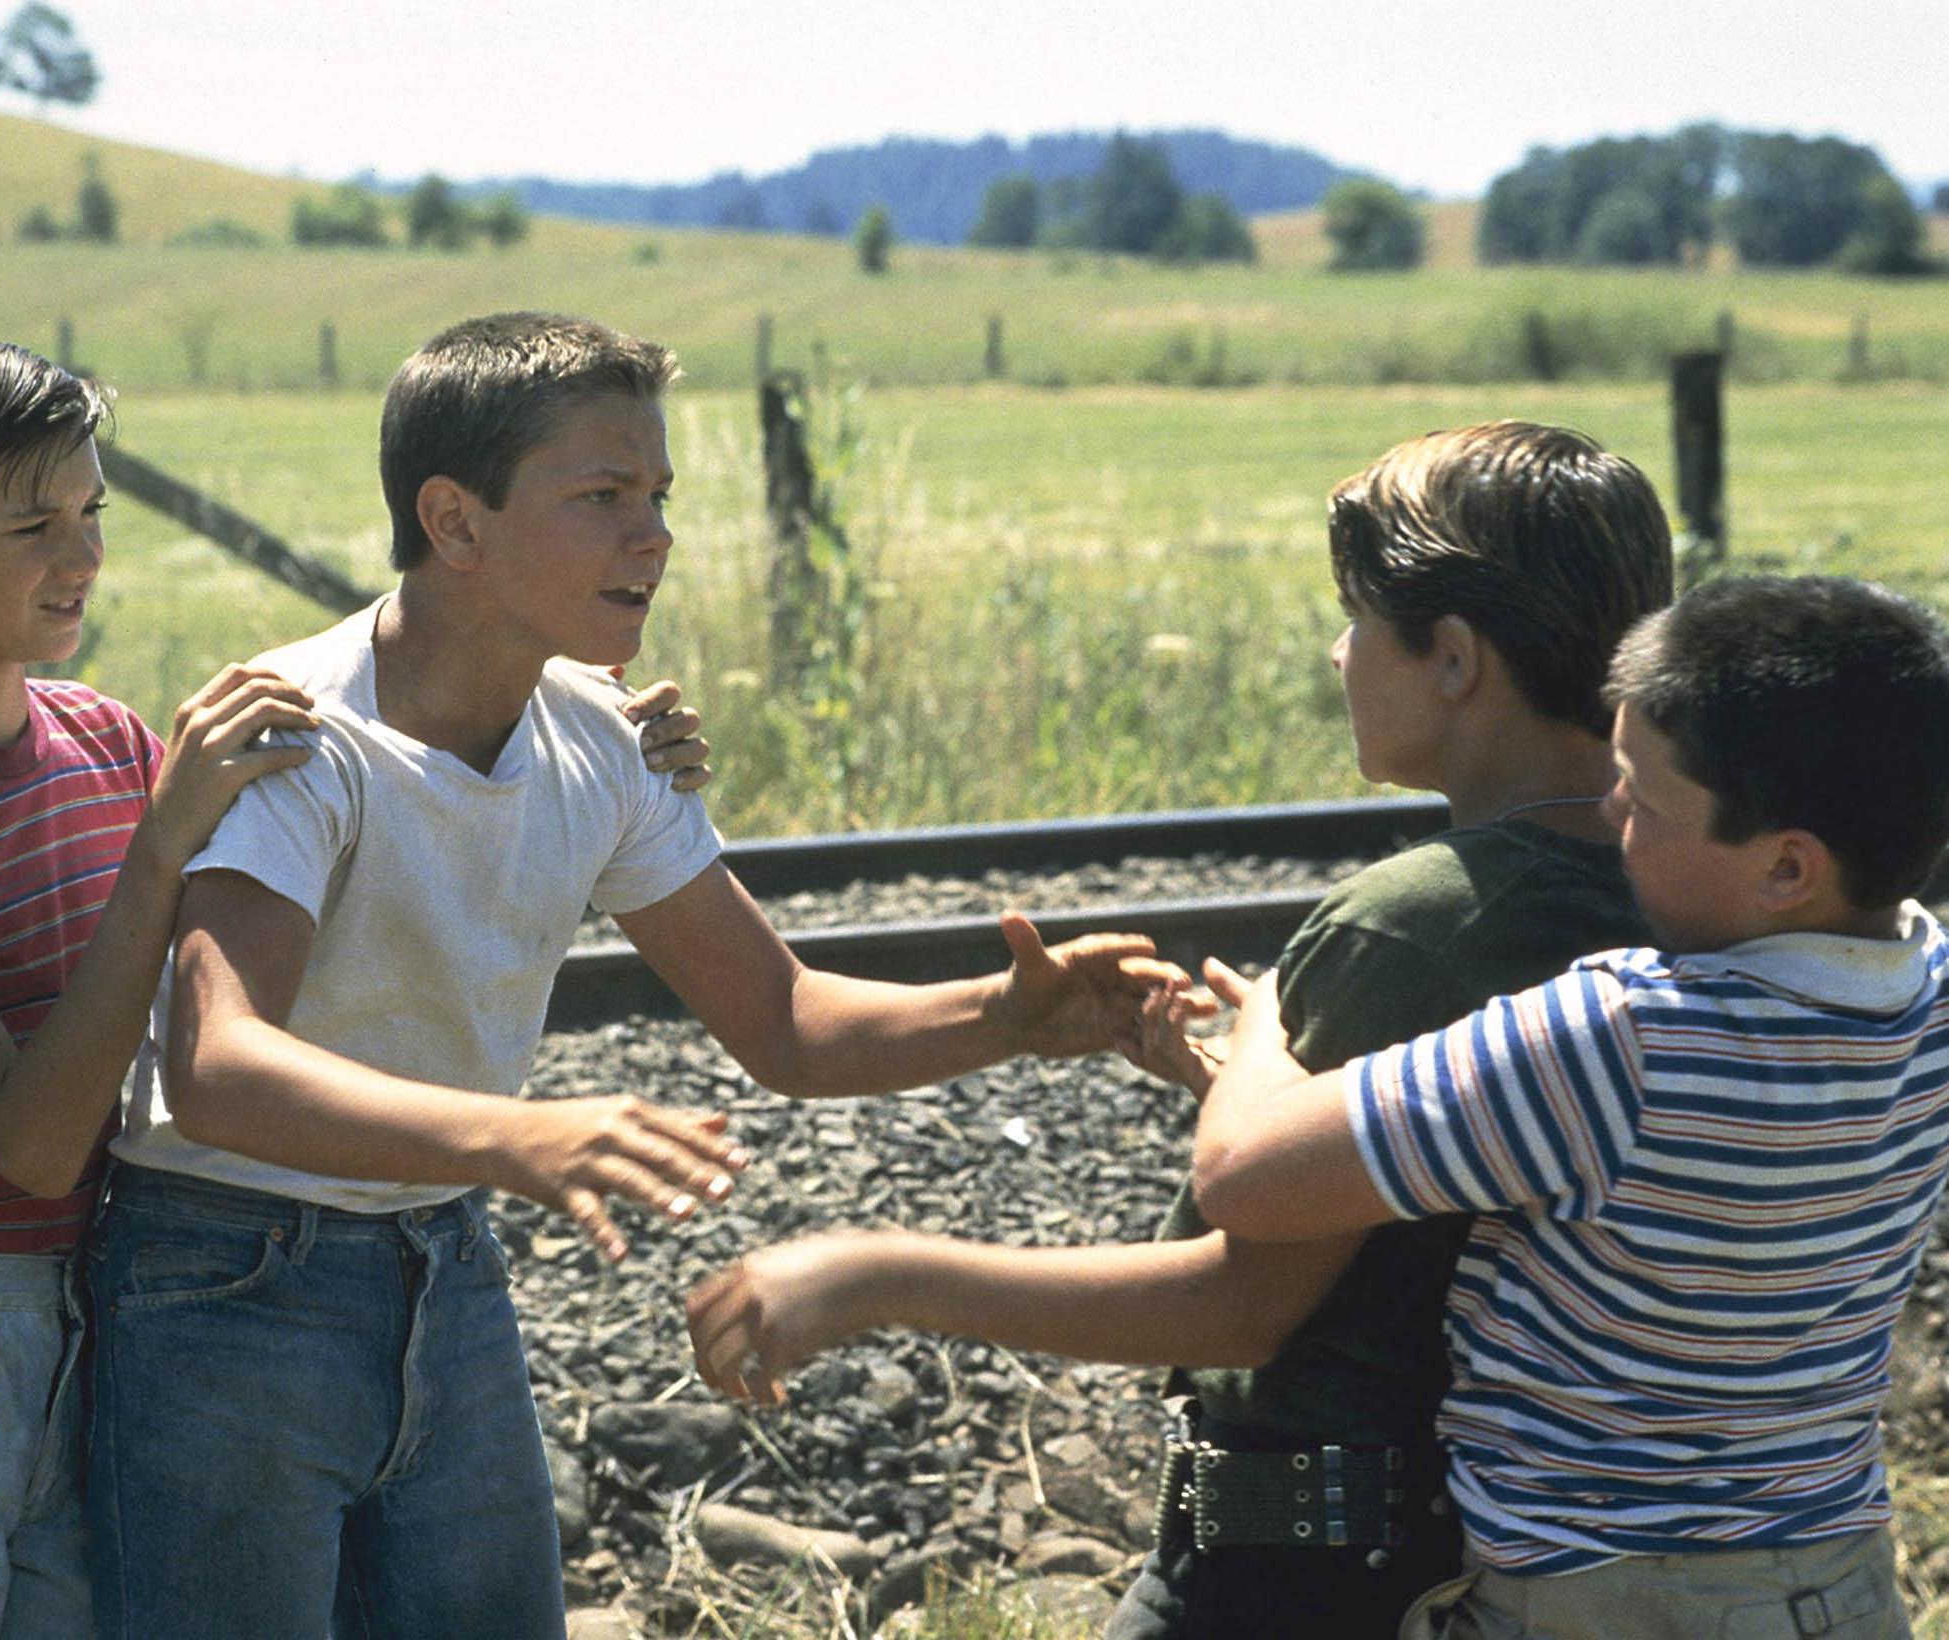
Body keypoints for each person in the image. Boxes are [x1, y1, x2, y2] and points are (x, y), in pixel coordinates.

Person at [87, 310, 1177, 1639]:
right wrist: (519, 1134)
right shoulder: (304, 740)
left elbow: (782, 1021)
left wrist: (1003, 1015)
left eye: (657, 495)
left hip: (443, 1257)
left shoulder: (598, 738)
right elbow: (215, 1068)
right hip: (225, 1284)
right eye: (601, 497)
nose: (650, 535)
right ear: (456, 521)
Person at [0, 330, 712, 1640]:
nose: (83, 558)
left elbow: (360, 805)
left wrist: (593, 715)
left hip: (92, 1306)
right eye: (36, 524)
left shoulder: (101, 737)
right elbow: (34, 1141)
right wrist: (163, 843)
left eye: (91, 511)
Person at [686, 421, 1676, 1638]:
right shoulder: (1667, 884)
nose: (1335, 649)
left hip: (1300, 1566)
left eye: (1356, 615)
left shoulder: (1411, 922)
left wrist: (873, 1273)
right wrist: (1234, 1086)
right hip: (1471, 1551)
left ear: (1456, 657)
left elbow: (1239, 1306)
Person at [1174, 574, 1949, 1640]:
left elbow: (1244, 1176)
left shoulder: (1621, 1034)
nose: (1607, 811)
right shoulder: (1925, 989)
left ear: (1783, 864)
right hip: (1836, 1578)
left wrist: (1265, 1017)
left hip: (1602, 1597)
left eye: (1642, 795)